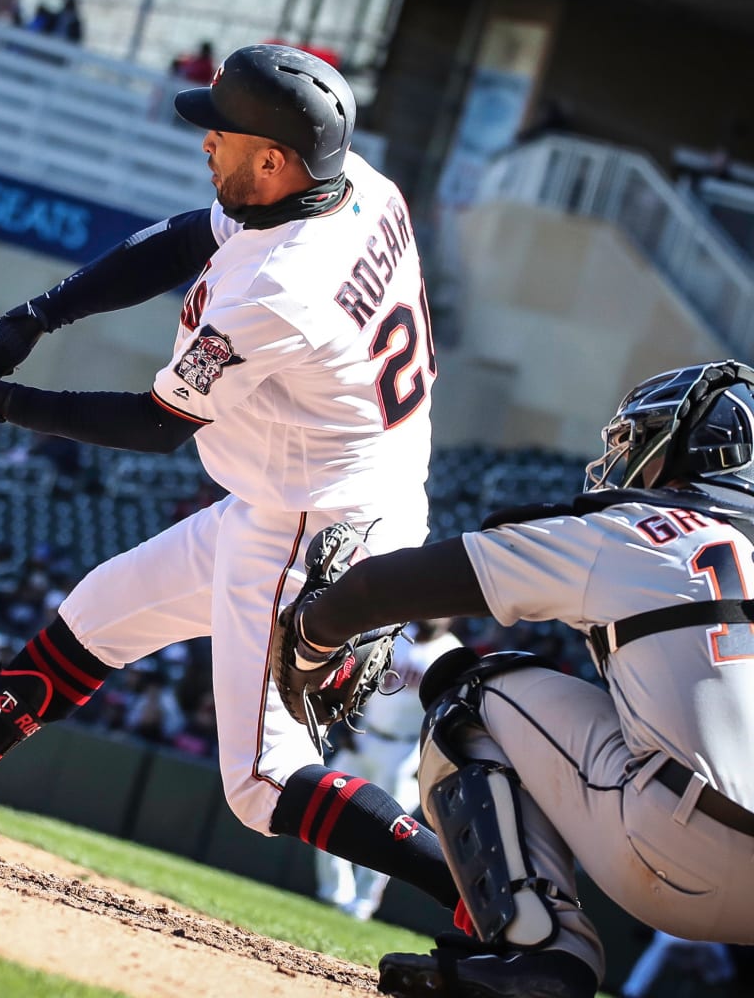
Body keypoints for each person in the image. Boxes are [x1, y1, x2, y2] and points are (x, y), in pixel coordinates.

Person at [0, 43, 457, 916]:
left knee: (262, 785)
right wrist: (37, 316)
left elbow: (153, 426)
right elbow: (183, 238)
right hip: (328, 488)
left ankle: (488, 897)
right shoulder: (353, 184)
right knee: (99, 612)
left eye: (223, 132)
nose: (205, 142)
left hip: (312, 518)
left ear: (275, 157)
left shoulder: (279, 290)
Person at [273, 359, 754, 998]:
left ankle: (543, 951)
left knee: (471, 690)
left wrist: (311, 635)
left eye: (642, 441)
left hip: (682, 853)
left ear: (697, 451)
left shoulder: (641, 534)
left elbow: (382, 588)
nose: (628, 458)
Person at [315, 617, 464, 921]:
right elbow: (358, 676)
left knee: (389, 828)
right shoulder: (397, 636)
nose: (432, 614)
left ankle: (361, 903)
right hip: (365, 734)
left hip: (406, 749)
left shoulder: (451, 654)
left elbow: (447, 715)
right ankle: (334, 892)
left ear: (452, 617)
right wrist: (346, 721)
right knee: (325, 802)